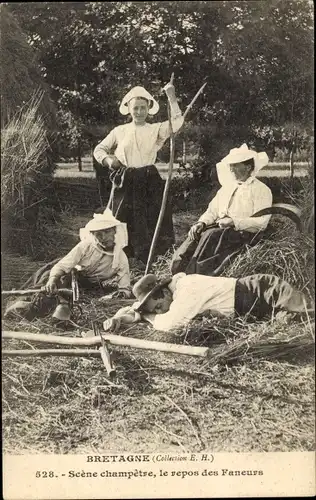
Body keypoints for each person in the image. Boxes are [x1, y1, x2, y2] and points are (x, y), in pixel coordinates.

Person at [93, 80, 184, 265]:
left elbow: (178, 122)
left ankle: (151, 259)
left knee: (152, 217)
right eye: (135, 108)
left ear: (149, 108)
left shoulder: (155, 129)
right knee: (121, 218)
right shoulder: (120, 131)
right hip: (125, 180)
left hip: (148, 179)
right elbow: (99, 149)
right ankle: (121, 259)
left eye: (143, 108)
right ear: (128, 109)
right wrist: (109, 160)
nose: (139, 112)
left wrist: (171, 97)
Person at [4, 210, 132, 322]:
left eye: (106, 232)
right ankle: (20, 305)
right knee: (45, 285)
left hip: (86, 285)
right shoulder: (86, 246)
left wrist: (118, 295)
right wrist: (52, 280)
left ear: (114, 231)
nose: (103, 237)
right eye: (98, 234)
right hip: (67, 272)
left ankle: (34, 308)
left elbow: (125, 288)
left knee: (64, 300)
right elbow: (62, 266)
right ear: (92, 235)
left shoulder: (121, 259)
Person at [171, 144, 273, 276]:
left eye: (236, 165)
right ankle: (178, 275)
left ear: (248, 167)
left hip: (242, 234)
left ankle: (194, 277)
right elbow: (212, 211)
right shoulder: (227, 187)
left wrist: (233, 222)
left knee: (211, 236)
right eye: (230, 165)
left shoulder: (261, 190)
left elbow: (262, 222)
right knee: (192, 240)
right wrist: (201, 223)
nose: (231, 169)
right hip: (219, 230)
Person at [103, 272, 312, 333]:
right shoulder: (174, 294)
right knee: (293, 321)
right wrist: (128, 315)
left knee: (308, 312)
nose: (161, 311)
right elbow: (130, 309)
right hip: (250, 307)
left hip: (262, 290)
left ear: (163, 293)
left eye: (158, 308)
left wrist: (147, 316)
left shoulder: (187, 289)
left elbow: (170, 324)